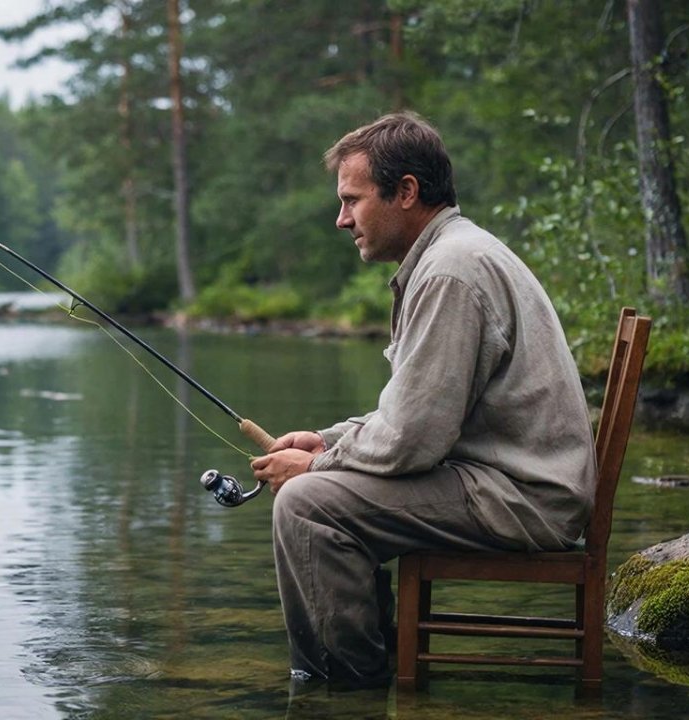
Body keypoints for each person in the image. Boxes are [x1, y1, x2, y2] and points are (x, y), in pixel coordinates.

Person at [250, 112, 595, 688]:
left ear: (406, 191)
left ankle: (346, 689)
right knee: (319, 493)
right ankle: (368, 668)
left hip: (524, 497)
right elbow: (415, 412)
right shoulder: (451, 256)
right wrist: (329, 440)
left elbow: (412, 440)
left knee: (309, 505)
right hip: (512, 481)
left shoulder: (449, 273)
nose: (341, 220)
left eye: (351, 200)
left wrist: (314, 466)